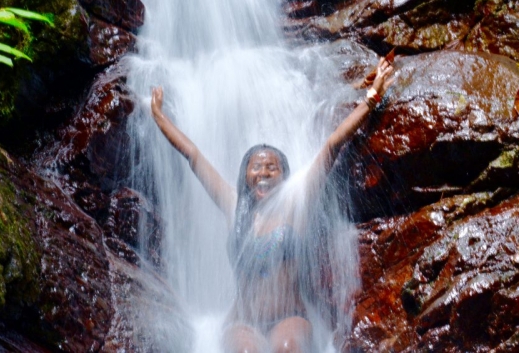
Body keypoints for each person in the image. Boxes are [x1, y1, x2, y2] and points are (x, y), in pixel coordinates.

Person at [151, 57, 394, 353]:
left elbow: (332, 145)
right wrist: (160, 117)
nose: (263, 173)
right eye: (256, 167)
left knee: (288, 348)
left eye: (272, 167)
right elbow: (193, 156)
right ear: (245, 174)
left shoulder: (295, 203)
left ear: (284, 175)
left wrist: (372, 99)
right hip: (243, 321)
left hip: (289, 317)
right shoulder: (234, 206)